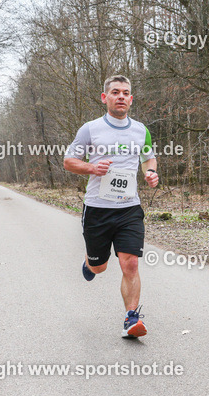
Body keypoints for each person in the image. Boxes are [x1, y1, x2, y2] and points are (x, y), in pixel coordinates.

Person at [64, 75, 159, 338]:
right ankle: (90, 263)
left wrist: (151, 173)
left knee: (131, 264)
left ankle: (131, 318)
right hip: (97, 209)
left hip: (129, 208)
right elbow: (69, 161)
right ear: (105, 98)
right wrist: (92, 167)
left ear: (131, 99)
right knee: (100, 267)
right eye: (115, 92)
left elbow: (148, 158)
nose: (121, 97)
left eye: (125, 93)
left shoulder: (141, 130)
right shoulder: (90, 129)